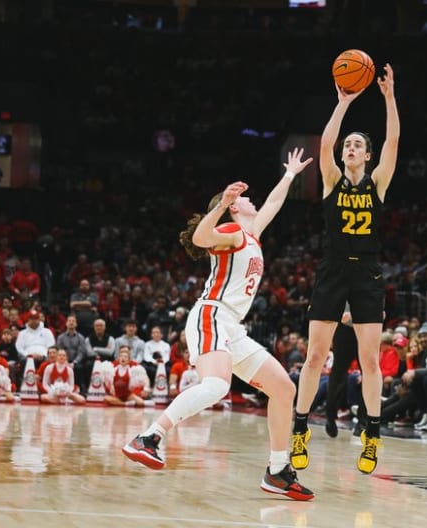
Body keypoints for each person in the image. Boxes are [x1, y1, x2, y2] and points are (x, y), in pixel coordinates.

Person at [123, 148, 314, 501]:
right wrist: (223, 201)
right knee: (216, 387)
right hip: (211, 314)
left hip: (232, 326)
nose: (252, 200)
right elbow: (199, 238)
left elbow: (273, 204)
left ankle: (277, 470)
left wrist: (289, 175)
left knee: (285, 389)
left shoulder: (251, 233)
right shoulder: (229, 230)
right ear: (233, 207)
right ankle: (148, 437)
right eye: (244, 199)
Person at [291, 64, 399, 475]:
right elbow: (325, 145)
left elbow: (393, 141)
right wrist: (342, 104)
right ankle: (300, 427)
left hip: (367, 273)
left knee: (369, 361)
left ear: (368, 156)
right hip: (333, 270)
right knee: (316, 354)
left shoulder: (379, 182)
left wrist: (388, 99)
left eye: (358, 145)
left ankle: (372, 434)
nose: (350, 147)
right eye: (348, 144)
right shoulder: (333, 180)